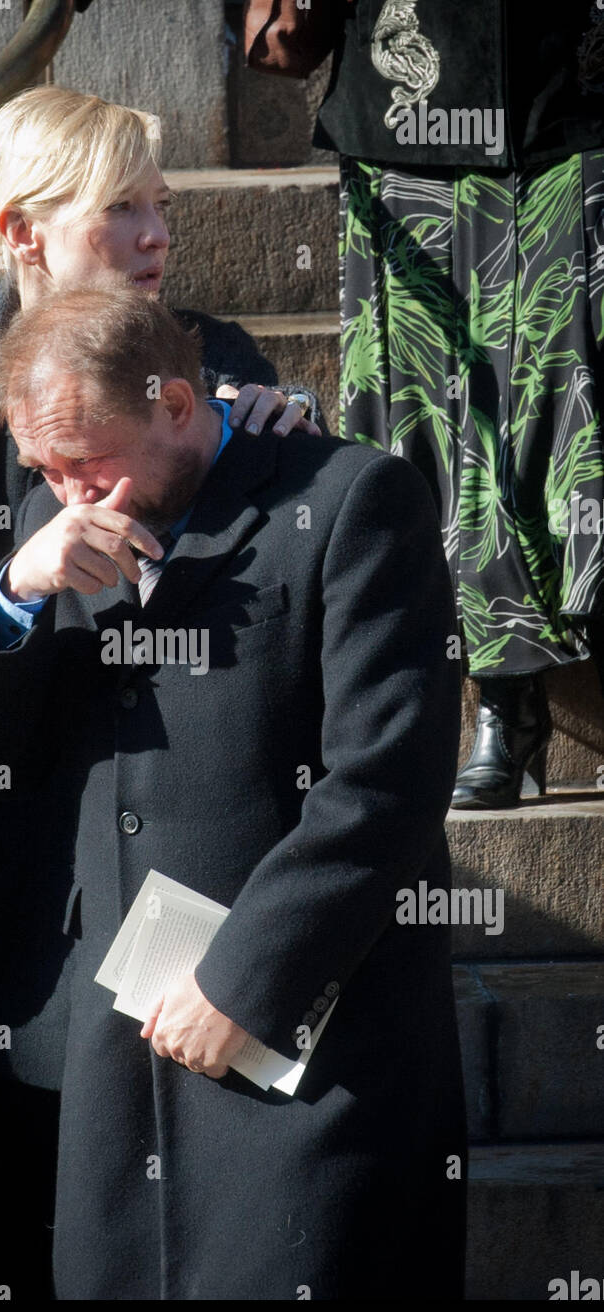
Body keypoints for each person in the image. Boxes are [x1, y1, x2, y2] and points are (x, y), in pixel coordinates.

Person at [0, 84, 319, 1302]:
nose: (154, 239)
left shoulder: (211, 363)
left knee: (98, 1247)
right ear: (24, 231)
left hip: (121, 887)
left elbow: (284, 606)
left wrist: (292, 454)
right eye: (118, 211)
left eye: (160, 208)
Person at [0, 286, 468, 1300]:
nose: (70, 491)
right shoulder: (53, 519)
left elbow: (384, 783)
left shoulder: (349, 501)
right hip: (124, 1070)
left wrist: (242, 980)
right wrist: (13, 599)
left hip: (311, 1051)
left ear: (178, 404)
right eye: (44, 469)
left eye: (87, 459)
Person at [294, 0, 604, 808]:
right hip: (408, 108)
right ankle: (505, 698)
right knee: (430, 412)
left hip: (570, 89)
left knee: (575, 397)